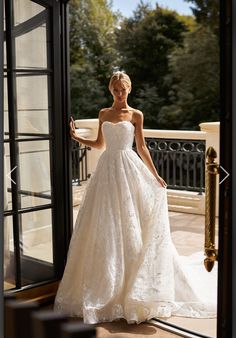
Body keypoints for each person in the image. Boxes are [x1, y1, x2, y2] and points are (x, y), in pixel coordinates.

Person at [54, 71, 217, 324]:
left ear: (129, 89)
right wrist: (76, 137)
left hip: (129, 169)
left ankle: (138, 287)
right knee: (106, 226)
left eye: (123, 89)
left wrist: (156, 176)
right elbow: (100, 145)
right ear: (111, 90)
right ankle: (109, 286)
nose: (119, 93)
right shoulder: (103, 114)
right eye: (115, 89)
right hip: (107, 172)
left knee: (133, 224)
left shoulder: (136, 115)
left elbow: (141, 147)